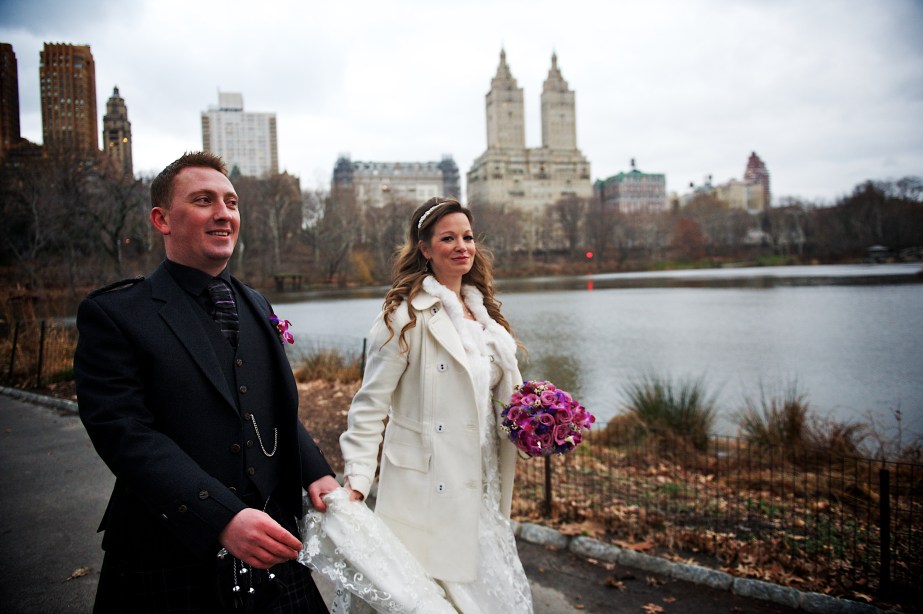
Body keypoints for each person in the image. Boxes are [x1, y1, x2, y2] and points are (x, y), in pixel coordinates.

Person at [74, 151, 339, 612]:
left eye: (231, 202)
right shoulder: (116, 314)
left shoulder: (256, 303)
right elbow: (123, 432)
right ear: (162, 219)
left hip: (272, 548)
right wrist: (221, 516)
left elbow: (271, 406)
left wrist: (315, 468)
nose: (223, 213)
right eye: (203, 200)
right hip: (167, 556)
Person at [338, 197, 534, 612]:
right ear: (425, 249)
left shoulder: (486, 320)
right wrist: (357, 478)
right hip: (424, 485)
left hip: (481, 481)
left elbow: (499, 401)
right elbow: (370, 405)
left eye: (467, 237)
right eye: (448, 238)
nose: (462, 246)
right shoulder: (403, 317)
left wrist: (540, 419)